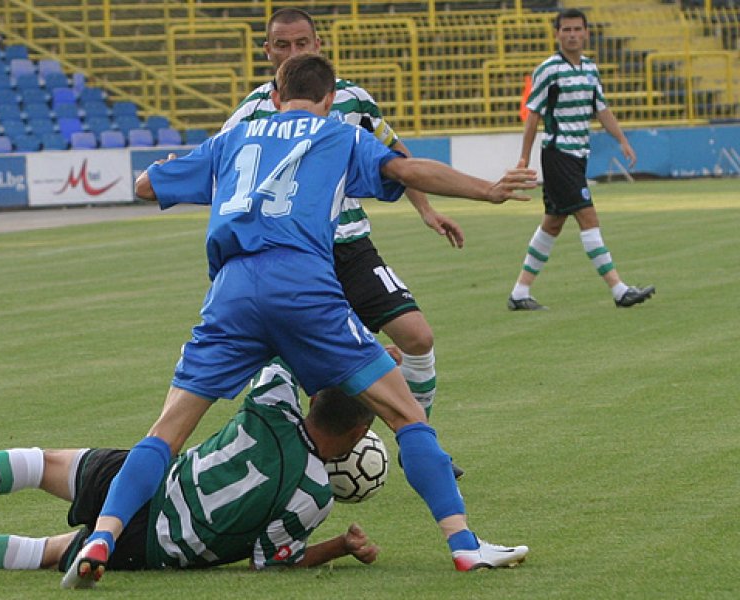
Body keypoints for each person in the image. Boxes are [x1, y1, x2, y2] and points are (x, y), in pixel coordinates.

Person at [67, 53, 535, 587]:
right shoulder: (337, 135)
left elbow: (149, 186)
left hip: (232, 292)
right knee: (408, 417)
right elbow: (406, 170)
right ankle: (465, 546)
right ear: (330, 98)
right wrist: (488, 190)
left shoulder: (235, 137)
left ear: (273, 95)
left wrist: (171, 170)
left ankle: (103, 535)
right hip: (303, 286)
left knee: (166, 432)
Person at [0, 361, 381, 581]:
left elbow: (286, 350)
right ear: (358, 437)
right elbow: (272, 562)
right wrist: (339, 546)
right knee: (54, 551)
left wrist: (349, 358)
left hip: (147, 477)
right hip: (158, 546)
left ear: (315, 398)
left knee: (42, 464)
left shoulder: (273, 403)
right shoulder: (315, 495)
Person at [224, 7, 465, 423]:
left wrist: (425, 208)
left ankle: (422, 442)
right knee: (296, 369)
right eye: (282, 45)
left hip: (351, 246)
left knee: (418, 337)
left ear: (318, 46)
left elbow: (396, 156)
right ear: (267, 51)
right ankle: (310, 460)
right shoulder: (251, 112)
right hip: (289, 255)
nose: (292, 51)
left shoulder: (352, 99)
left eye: (302, 43)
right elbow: (224, 171)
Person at [508, 8, 655, 310]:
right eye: (566, 29)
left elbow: (601, 109)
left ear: (586, 33)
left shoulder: (590, 68)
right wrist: (524, 157)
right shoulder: (548, 69)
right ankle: (619, 290)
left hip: (578, 156)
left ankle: (520, 293)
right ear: (557, 34)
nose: (572, 34)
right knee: (588, 217)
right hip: (559, 154)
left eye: (577, 29)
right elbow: (533, 115)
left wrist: (623, 141)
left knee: (553, 224)